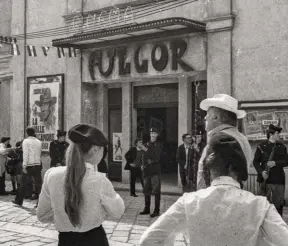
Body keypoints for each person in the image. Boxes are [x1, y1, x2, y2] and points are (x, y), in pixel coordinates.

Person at [139, 134, 288, 246]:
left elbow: (148, 240)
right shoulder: (260, 206)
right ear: (236, 169)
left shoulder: (189, 201)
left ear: (210, 170)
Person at [37, 124, 125, 246]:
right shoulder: (99, 180)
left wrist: (64, 218)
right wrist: (96, 214)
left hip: (65, 240)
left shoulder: (51, 175)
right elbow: (117, 212)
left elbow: (42, 215)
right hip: (94, 240)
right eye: (103, 149)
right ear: (95, 149)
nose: (104, 153)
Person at [197, 94, 252, 190]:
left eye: (207, 114)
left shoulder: (218, 140)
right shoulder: (241, 138)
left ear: (216, 117)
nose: (205, 118)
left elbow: (203, 176)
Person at [253, 124, 288, 216]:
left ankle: (278, 224)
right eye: (277, 133)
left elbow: (286, 161)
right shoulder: (261, 146)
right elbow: (255, 162)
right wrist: (261, 172)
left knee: (278, 204)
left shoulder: (282, 147)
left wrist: (275, 163)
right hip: (265, 179)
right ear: (271, 134)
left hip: (278, 180)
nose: (279, 135)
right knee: (263, 204)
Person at [13, 127, 42, 206]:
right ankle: (40, 203)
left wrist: (24, 165)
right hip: (37, 165)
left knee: (23, 184)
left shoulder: (25, 141)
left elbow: (25, 154)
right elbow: (39, 154)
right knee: (39, 185)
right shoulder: (39, 142)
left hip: (29, 165)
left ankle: (19, 201)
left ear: (26, 133)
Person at [140, 128, 163, 218]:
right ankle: (147, 208)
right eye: (152, 133)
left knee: (156, 191)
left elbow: (156, 157)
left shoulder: (159, 145)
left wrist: (146, 151)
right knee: (146, 190)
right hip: (146, 171)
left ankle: (156, 210)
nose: (153, 135)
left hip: (155, 171)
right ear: (150, 134)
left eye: (155, 133)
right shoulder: (146, 144)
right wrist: (143, 164)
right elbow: (144, 157)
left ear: (157, 135)